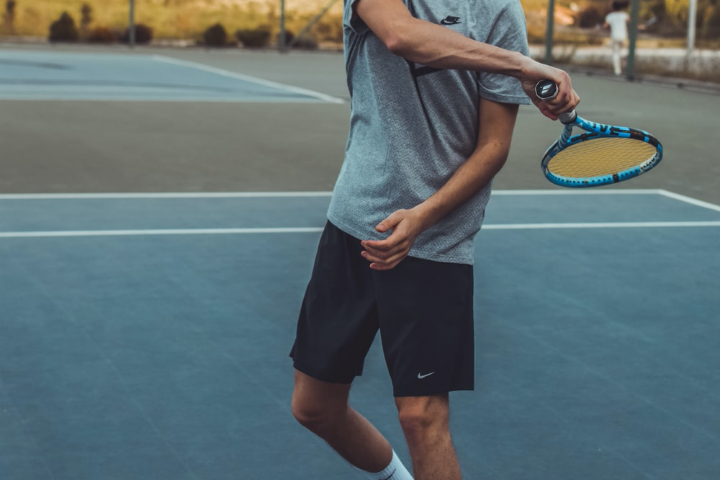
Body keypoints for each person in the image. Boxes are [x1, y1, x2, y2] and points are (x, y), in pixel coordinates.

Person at [289, 0, 580, 479]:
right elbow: (402, 36)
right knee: (315, 407)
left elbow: (493, 146)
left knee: (422, 417)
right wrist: (523, 64)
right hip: (353, 224)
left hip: (438, 239)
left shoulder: (497, 9)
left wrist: (423, 217)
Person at [604, 0, 630, 75]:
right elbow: (630, 21)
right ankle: (623, 56)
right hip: (623, 36)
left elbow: (605, 25)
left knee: (615, 53)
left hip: (615, 36)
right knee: (622, 50)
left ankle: (617, 71)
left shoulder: (610, 16)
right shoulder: (624, 15)